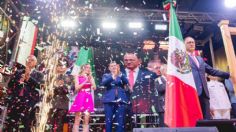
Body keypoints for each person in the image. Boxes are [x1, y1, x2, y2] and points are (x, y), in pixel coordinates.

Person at [184, 36, 230, 119]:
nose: (191, 44)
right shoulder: (183, 59)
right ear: (184, 45)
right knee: (194, 118)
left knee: (206, 118)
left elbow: (212, 71)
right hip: (192, 92)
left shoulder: (200, 59)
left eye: (193, 42)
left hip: (204, 93)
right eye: (189, 42)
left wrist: (228, 75)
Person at [5, 55, 44, 131]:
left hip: (28, 103)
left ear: (35, 63)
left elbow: (39, 86)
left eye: (32, 60)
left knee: (23, 125)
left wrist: (28, 78)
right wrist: (18, 81)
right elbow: (10, 85)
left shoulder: (39, 74)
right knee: (10, 123)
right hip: (15, 101)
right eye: (28, 59)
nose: (29, 61)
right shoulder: (19, 71)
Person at [121, 52, 157, 129]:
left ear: (139, 61)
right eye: (126, 60)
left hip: (143, 109)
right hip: (122, 108)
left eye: (131, 60)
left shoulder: (150, 74)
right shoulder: (117, 74)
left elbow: (154, 92)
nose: (128, 62)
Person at [101, 61, 129, 132]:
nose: (113, 67)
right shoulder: (106, 75)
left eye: (115, 66)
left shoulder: (121, 75)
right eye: (112, 66)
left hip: (120, 101)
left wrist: (119, 74)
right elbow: (104, 83)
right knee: (108, 120)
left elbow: (126, 81)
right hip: (109, 101)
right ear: (109, 68)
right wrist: (113, 76)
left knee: (120, 121)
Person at [69, 64, 96, 132]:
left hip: (88, 97)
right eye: (87, 67)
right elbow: (77, 88)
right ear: (83, 68)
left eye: (89, 68)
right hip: (81, 96)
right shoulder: (77, 76)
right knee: (78, 118)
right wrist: (85, 80)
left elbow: (94, 87)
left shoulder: (90, 77)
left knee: (86, 119)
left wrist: (91, 80)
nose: (88, 69)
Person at [47, 58, 72, 131]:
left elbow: (70, 91)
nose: (61, 66)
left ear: (67, 67)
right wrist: (55, 85)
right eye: (59, 65)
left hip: (62, 106)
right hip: (50, 105)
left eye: (63, 65)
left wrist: (63, 86)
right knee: (48, 126)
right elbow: (45, 89)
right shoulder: (50, 77)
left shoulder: (69, 78)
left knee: (60, 126)